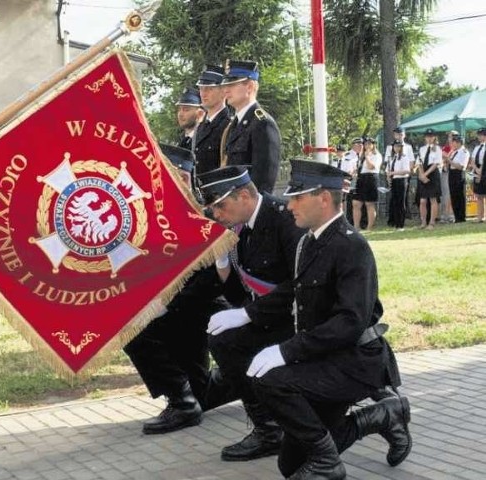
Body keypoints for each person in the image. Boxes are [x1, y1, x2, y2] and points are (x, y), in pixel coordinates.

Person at [211, 160, 411, 479]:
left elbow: (351, 320)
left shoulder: (351, 246)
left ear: (324, 199)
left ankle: (328, 463)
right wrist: (246, 313)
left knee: (270, 380)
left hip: (357, 362)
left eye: (297, 197)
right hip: (327, 358)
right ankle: (382, 416)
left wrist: (286, 351)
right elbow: (292, 289)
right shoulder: (310, 241)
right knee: (290, 465)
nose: (289, 205)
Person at [124, 144, 237, 435]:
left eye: (179, 178)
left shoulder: (209, 218)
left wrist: (165, 306)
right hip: (179, 311)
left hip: (207, 310)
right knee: (129, 326)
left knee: (138, 329)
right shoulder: (151, 220)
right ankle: (188, 396)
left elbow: (213, 281)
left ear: (187, 179)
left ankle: (183, 402)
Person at [198, 165, 304, 462]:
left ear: (244, 195)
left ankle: (283, 424)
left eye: (220, 205)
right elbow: (236, 294)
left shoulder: (285, 218)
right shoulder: (239, 227)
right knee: (223, 340)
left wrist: (248, 315)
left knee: (235, 339)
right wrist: (221, 261)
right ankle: (268, 429)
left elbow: (301, 283)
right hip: (271, 314)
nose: (216, 214)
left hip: (300, 316)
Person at [221, 60, 281, 194]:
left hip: (248, 210)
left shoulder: (263, 123)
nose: (225, 90)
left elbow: (264, 183)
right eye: (226, 84)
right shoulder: (234, 125)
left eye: (232, 84)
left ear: (249, 86)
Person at [192, 64, 232, 175]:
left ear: (223, 91)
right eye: (201, 88)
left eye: (209, 89)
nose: (203, 93)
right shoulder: (200, 126)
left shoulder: (229, 126)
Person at [351, 137, 381, 231]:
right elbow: (360, 167)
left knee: (369, 204)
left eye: (369, 144)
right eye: (365, 144)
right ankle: (356, 226)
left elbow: (371, 167)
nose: (367, 146)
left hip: (371, 178)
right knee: (356, 203)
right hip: (361, 178)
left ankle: (369, 227)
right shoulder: (361, 155)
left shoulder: (377, 155)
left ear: (373, 145)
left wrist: (367, 156)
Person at [416, 129, 442, 229]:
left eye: (431, 136)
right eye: (427, 136)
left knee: (433, 199)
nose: (429, 138)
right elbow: (420, 163)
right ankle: (423, 222)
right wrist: (422, 174)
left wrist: (425, 174)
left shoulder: (437, 149)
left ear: (434, 137)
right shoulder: (422, 149)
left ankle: (432, 222)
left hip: (432, 174)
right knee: (422, 200)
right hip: (423, 174)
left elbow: (436, 163)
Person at [386, 140, 412, 230]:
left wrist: (393, 172)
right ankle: (396, 223)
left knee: (401, 202)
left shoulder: (404, 157)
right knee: (395, 202)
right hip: (394, 180)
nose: (396, 148)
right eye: (395, 146)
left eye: (398, 146)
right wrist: (389, 177)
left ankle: (401, 224)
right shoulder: (392, 158)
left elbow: (407, 171)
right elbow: (388, 170)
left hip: (401, 180)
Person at [447, 134, 469, 223]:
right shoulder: (453, 151)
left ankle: (461, 217)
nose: (451, 144)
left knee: (460, 196)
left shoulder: (463, 151)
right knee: (453, 196)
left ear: (458, 142)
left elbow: (461, 166)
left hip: (458, 174)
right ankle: (456, 217)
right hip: (452, 174)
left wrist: (449, 161)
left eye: (453, 142)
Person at [439, 131, 456, 223]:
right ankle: (444, 214)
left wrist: (446, 157)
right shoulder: (445, 148)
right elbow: (442, 157)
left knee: (452, 193)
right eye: (449, 137)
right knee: (445, 194)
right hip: (445, 172)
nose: (450, 139)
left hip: (455, 172)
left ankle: (451, 214)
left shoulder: (459, 149)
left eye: (452, 137)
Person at [471, 128, 486, 222]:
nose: (479, 136)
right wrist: (477, 169)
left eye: (482, 135)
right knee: (479, 195)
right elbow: (472, 160)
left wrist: (482, 170)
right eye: (479, 135)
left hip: (485, 170)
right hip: (477, 170)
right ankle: (479, 216)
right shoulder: (477, 147)